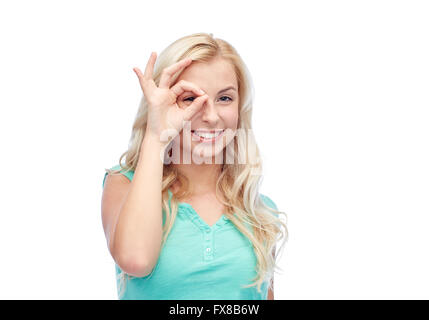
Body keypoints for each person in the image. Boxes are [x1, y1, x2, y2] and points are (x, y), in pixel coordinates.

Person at [101, 32, 288, 300]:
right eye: (190, 99)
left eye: (225, 98)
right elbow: (135, 260)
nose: (210, 116)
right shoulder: (123, 185)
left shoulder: (259, 211)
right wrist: (156, 136)